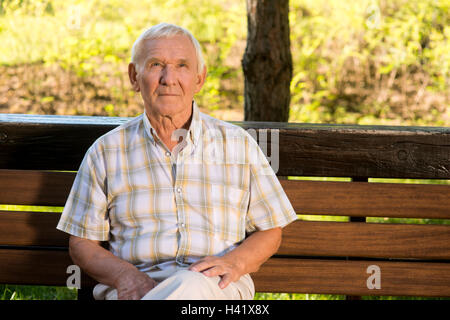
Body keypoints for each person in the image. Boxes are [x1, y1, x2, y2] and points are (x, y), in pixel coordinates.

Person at [57, 22, 297, 300]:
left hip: (214, 287)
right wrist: (125, 275)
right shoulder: (106, 151)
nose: (169, 78)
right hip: (135, 290)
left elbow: (270, 229)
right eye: (156, 64)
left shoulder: (238, 145)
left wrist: (236, 263)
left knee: (191, 286)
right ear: (134, 76)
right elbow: (81, 242)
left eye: (182, 65)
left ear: (199, 78)